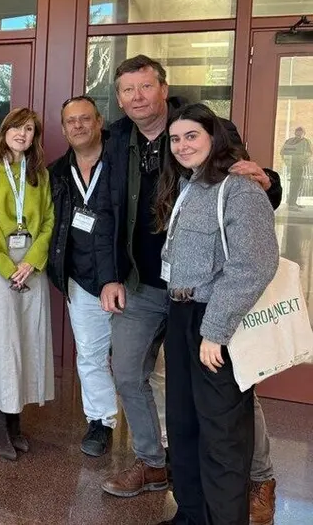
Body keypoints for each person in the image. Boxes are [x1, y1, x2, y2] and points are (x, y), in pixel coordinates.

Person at [96, 55, 282, 512]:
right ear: (118, 98)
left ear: (163, 88)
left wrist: (270, 182)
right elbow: (105, 209)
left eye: (145, 87)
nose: (136, 97)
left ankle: (258, 480)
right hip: (147, 284)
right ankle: (159, 470)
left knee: (228, 403)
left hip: (210, 299)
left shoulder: (205, 126)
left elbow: (249, 183)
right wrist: (109, 276)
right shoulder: (118, 139)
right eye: (126, 90)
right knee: (164, 398)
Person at [155, 103, 278, 525]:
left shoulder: (240, 190)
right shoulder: (189, 186)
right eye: (175, 138)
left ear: (213, 137)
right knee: (184, 426)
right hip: (182, 314)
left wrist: (216, 331)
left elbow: (254, 265)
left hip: (214, 322)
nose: (182, 145)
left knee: (222, 436)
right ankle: (191, 515)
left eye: (192, 136)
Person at [0, 107, 54, 460]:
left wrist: (32, 262)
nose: (22, 134)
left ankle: (15, 419)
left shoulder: (39, 174)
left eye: (30, 129)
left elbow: (49, 220)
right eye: (17, 128)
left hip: (32, 267)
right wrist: (8, 268)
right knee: (1, 344)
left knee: (29, 340)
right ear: (4, 130)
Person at [46, 96, 117, 457]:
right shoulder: (57, 172)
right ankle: (100, 421)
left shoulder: (122, 161)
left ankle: (164, 437)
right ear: (63, 128)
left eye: (85, 119)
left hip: (126, 277)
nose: (78, 126)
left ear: (99, 121)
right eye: (70, 121)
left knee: (145, 363)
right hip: (81, 278)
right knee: (89, 355)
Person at [280, 126, 312, 208]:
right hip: (291, 165)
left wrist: (305, 161)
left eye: (301, 133)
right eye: (297, 132)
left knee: (298, 184)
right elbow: (283, 152)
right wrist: (287, 162)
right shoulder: (289, 141)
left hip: (301, 166)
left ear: (304, 134)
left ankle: (293, 201)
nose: (299, 134)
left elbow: (310, 153)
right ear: (295, 133)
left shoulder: (307, 142)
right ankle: (291, 202)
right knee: (293, 183)